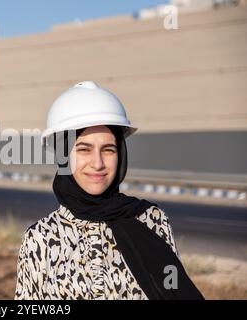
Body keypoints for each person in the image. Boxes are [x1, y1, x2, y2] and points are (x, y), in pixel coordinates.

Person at [15, 81, 204, 300]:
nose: (98, 163)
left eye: (108, 149)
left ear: (120, 154)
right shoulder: (40, 238)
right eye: (84, 149)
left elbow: (175, 291)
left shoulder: (152, 220)